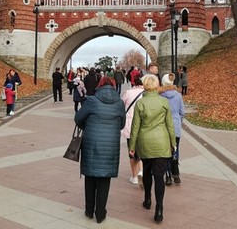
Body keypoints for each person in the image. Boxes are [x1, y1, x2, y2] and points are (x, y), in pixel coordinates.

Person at [74, 76, 125, 224]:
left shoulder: (91, 101)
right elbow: (121, 124)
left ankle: (89, 210)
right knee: (104, 179)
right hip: (110, 145)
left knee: (90, 177)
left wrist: (88, 127)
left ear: (99, 85)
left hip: (91, 142)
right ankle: (100, 213)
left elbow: (78, 118)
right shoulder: (119, 103)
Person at [129, 74, 176, 224]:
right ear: (156, 86)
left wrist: (132, 146)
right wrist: (173, 143)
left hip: (145, 142)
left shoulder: (140, 103)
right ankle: (159, 209)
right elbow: (170, 125)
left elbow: (135, 127)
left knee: (147, 172)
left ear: (144, 86)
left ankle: (148, 198)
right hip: (162, 142)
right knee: (159, 176)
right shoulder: (164, 102)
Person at [160, 73, 185, 185]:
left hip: (164, 125)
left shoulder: (160, 96)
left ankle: (168, 174)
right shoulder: (178, 95)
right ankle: (176, 174)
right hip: (175, 125)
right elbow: (182, 112)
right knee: (175, 149)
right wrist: (178, 120)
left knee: (166, 150)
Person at [121, 74, 144, 186]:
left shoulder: (128, 93)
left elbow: (122, 105)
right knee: (142, 150)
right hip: (143, 127)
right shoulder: (146, 94)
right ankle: (142, 171)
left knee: (132, 151)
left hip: (130, 126)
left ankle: (134, 177)